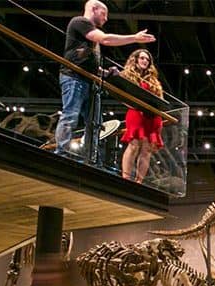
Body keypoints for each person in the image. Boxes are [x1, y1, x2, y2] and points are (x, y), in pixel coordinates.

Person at [54, 0, 155, 157]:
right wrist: (135, 38)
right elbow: (105, 39)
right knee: (70, 116)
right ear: (94, 9)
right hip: (74, 77)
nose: (106, 19)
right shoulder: (80, 22)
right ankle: (61, 153)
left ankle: (90, 156)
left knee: (95, 123)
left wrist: (104, 73)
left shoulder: (89, 37)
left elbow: (88, 63)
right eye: (104, 14)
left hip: (89, 80)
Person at [119, 49, 165, 182]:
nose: (145, 61)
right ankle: (126, 178)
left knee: (147, 149)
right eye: (142, 58)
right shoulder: (127, 75)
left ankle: (139, 181)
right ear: (135, 59)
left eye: (147, 59)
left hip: (153, 117)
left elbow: (159, 99)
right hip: (136, 113)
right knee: (134, 144)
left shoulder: (154, 81)